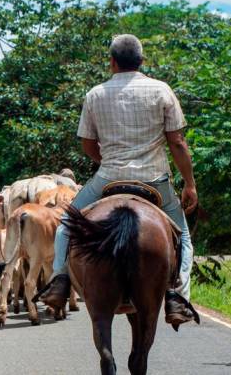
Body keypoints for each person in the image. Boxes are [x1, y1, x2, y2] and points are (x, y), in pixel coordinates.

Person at [39, 34, 198, 325]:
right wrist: (190, 183)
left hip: (108, 177)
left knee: (65, 224)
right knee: (184, 237)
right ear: (142, 61)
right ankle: (178, 297)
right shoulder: (162, 90)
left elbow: (87, 145)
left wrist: (110, 163)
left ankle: (60, 280)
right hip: (155, 181)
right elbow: (177, 142)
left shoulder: (95, 94)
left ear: (112, 62)